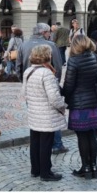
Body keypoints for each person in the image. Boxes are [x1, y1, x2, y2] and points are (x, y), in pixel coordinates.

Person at [16, 23, 68, 155]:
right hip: (48, 84)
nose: (50, 34)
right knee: (52, 116)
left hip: (31, 87)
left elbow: (18, 67)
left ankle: (39, 145)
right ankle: (57, 144)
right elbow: (58, 66)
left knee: (36, 117)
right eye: (49, 32)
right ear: (44, 32)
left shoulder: (23, 45)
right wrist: (55, 83)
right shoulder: (50, 45)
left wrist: (25, 82)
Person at [22, 45, 67, 182]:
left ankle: (35, 170)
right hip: (47, 115)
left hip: (35, 113)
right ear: (47, 56)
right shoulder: (46, 73)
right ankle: (45, 173)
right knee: (46, 144)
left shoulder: (28, 71)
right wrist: (62, 106)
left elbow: (24, 93)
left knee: (35, 142)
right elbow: (54, 97)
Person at [63, 35, 97, 180]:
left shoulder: (74, 61)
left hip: (79, 105)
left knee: (82, 136)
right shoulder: (93, 57)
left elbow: (69, 86)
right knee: (91, 134)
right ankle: (94, 167)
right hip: (92, 102)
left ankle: (85, 167)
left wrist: (62, 93)